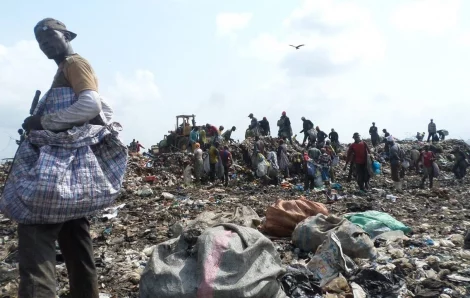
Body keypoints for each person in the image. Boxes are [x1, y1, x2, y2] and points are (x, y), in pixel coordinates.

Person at [0, 18, 128, 298]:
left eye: (49, 37)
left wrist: (44, 122)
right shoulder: (65, 67)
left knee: (35, 229)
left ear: (67, 35)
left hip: (59, 164)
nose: (44, 44)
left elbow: (89, 104)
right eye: (40, 42)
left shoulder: (74, 63)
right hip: (72, 170)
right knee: (75, 236)